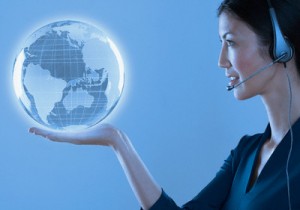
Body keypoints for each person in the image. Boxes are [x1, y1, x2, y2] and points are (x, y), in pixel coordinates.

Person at [29, 0, 300, 209]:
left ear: (280, 46)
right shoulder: (245, 153)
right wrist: (118, 142)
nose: (221, 60)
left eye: (230, 43)